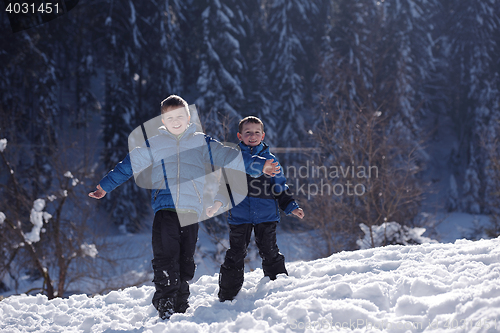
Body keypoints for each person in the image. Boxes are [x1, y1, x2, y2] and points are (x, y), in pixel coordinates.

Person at [88, 96, 280, 320]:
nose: (176, 121)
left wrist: (259, 165)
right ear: (163, 119)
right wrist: (104, 186)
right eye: (170, 117)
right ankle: (166, 302)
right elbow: (128, 165)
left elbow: (230, 156)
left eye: (180, 116)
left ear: (188, 118)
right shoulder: (154, 143)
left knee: (186, 261)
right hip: (165, 208)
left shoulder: (201, 141)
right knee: (165, 257)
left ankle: (180, 301)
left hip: (190, 210)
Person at [206, 116, 305, 302]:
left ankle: (279, 287)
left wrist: (291, 206)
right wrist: (217, 204)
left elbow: (280, 187)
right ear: (239, 135)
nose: (252, 136)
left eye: (257, 132)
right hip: (239, 215)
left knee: (269, 250)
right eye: (248, 132)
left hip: (266, 214)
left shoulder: (270, 160)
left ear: (263, 135)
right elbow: (224, 188)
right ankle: (227, 295)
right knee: (236, 253)